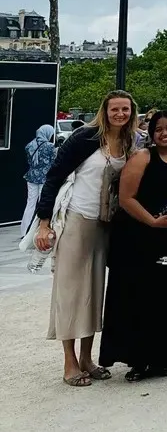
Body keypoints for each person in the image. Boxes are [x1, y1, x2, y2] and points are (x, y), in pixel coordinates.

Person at [34, 91, 138, 386]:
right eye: (115, 109)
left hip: (106, 223)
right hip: (78, 219)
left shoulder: (130, 142)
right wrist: (44, 223)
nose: (120, 114)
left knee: (94, 290)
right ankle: (69, 362)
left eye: (125, 109)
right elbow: (54, 176)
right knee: (70, 291)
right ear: (105, 110)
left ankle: (87, 357)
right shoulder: (85, 137)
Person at [99, 110, 167, 381]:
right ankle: (138, 359)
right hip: (137, 236)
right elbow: (126, 198)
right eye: (159, 129)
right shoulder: (142, 158)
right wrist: (152, 221)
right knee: (138, 295)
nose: (165, 133)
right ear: (152, 133)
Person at [20, 123, 56, 238]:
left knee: (30, 203)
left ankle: (24, 231)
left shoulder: (30, 145)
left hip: (31, 177)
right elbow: (54, 162)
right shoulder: (50, 146)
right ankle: (36, 231)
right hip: (45, 178)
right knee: (42, 204)